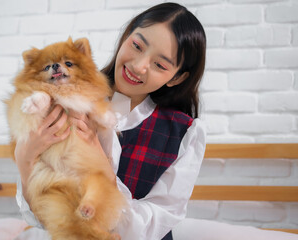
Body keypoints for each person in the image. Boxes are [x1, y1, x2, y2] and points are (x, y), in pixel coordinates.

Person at [15, 2, 207, 240]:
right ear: (126, 37)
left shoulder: (183, 133)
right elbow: (42, 217)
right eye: (137, 46)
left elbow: (157, 223)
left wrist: (105, 172)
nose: (138, 66)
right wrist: (25, 163)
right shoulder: (62, 98)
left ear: (177, 77)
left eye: (159, 64)